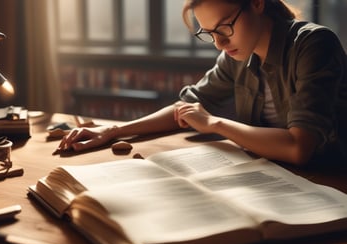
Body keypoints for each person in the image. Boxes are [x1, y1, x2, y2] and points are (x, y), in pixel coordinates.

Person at [56, 0, 347, 166]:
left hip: (331, 182)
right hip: (274, 178)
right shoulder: (237, 56)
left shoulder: (313, 45)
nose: (219, 43)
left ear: (257, 3)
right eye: (209, 33)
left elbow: (299, 148)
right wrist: (113, 130)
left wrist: (214, 124)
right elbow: (187, 107)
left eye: (224, 28)